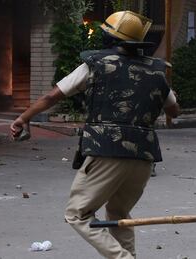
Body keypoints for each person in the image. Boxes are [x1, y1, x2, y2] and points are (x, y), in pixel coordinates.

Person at [10, 11, 180, 258]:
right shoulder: (156, 71)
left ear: (110, 38)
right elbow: (173, 110)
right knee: (119, 213)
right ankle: (128, 255)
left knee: (77, 214)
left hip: (106, 150)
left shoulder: (96, 64)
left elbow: (52, 97)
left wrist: (23, 118)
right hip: (144, 156)